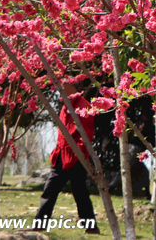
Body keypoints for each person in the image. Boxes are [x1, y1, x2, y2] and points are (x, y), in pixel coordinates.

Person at [35, 87, 99, 234]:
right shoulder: (66, 104)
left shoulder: (85, 107)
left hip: (76, 157)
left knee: (80, 193)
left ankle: (91, 227)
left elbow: (87, 135)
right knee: (49, 190)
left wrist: (79, 154)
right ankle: (40, 224)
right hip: (60, 155)